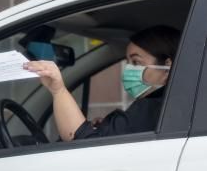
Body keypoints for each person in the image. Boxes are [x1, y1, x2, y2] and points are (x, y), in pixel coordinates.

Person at [24, 25, 180, 142]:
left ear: (167, 67)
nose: (129, 69)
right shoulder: (167, 107)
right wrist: (109, 125)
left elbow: (82, 141)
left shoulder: (152, 109)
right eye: (128, 62)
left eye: (136, 62)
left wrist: (58, 89)